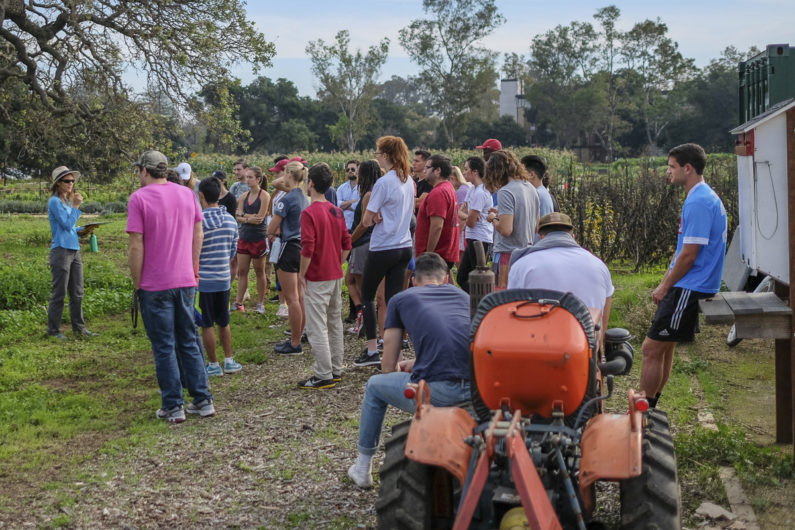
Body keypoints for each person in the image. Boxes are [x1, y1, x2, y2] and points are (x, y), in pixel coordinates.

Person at [347, 252, 472, 488]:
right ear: (446, 279)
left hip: (441, 392)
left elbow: (387, 366)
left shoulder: (402, 299)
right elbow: (457, 343)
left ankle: (362, 467)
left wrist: (405, 368)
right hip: (480, 391)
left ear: (414, 280)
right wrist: (418, 362)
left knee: (375, 387)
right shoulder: (464, 296)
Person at [127, 150, 214, 423]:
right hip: (185, 279)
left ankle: (173, 405)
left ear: (144, 170)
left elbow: (136, 244)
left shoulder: (138, 198)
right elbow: (198, 232)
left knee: (164, 345)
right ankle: (203, 400)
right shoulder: (187, 194)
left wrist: (137, 282)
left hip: (155, 284)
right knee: (188, 340)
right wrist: (193, 268)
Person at [639, 143, 727, 409]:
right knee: (664, 348)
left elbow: (689, 256)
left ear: (688, 169)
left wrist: (665, 287)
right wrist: (665, 280)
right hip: (688, 283)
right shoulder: (700, 197)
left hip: (691, 285)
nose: (668, 172)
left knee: (651, 349)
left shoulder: (699, 201)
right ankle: (650, 408)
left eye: (672, 167)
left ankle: (643, 411)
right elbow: (682, 253)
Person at [507, 212, 613, 352]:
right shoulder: (598, 265)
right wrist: (599, 345)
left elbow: (512, 310)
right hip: (585, 348)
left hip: (537, 347)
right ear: (572, 236)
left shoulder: (522, 265)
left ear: (541, 237)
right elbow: (606, 304)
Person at [353, 136, 415, 368]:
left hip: (383, 246)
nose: (376, 155)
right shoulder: (407, 179)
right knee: (393, 300)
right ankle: (396, 354)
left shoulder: (383, 182)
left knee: (367, 296)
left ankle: (371, 351)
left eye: (378, 152)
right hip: (404, 245)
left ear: (387, 156)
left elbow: (366, 220)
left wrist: (374, 217)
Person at [296, 163, 352, 389]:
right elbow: (347, 243)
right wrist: (338, 262)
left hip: (317, 276)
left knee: (316, 325)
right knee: (334, 322)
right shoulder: (336, 210)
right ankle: (336, 368)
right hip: (335, 274)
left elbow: (308, 247)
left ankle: (323, 373)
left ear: (311, 184)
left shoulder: (309, 212)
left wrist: (302, 273)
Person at [197, 177, 241, 376]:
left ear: (202, 196)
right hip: (223, 278)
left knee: (207, 323)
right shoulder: (231, 221)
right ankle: (229, 360)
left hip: (204, 280)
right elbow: (233, 251)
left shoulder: (198, 222)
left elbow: (194, 251)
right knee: (224, 321)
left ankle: (213, 364)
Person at [46, 166, 96, 339]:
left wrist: (83, 229)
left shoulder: (67, 202)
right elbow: (66, 225)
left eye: (72, 181)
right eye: (67, 181)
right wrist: (76, 206)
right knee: (59, 293)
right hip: (61, 251)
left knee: (77, 291)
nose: (71, 184)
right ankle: (53, 331)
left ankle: (79, 328)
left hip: (74, 250)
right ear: (58, 183)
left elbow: (70, 228)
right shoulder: (54, 202)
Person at [268, 161, 309, 354]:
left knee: (291, 298)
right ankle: (298, 335)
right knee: (300, 297)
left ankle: (294, 342)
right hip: (301, 247)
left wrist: (273, 232)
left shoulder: (286, 200)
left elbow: (271, 227)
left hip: (287, 246)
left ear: (289, 175)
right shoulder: (303, 197)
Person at [483, 150, 540, 289]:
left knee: (504, 299)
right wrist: (502, 215)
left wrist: (493, 218)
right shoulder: (531, 188)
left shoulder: (506, 192)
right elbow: (536, 226)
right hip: (527, 253)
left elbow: (506, 230)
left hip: (507, 256)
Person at [232, 167, 270, 314]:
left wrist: (244, 216)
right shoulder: (243, 196)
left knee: (260, 271)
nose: (247, 180)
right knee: (242, 271)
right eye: (246, 177)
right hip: (244, 237)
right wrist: (248, 218)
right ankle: (238, 302)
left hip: (258, 238)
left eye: (250, 177)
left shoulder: (264, 196)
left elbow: (259, 219)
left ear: (258, 179)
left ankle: (260, 303)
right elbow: (238, 216)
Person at [456, 157, 493, 293]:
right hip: (472, 237)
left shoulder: (480, 193)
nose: (464, 173)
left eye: (466, 170)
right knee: (462, 277)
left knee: (475, 277)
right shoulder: (472, 190)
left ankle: (481, 300)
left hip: (480, 238)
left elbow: (470, 223)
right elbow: (461, 211)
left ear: (475, 172)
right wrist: (469, 215)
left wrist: (469, 216)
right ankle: (475, 300)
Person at [415, 154, 459, 269]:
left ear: (438, 170)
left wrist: (429, 255)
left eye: (427, 168)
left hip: (436, 255)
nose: (424, 171)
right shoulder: (448, 187)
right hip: (443, 253)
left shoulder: (438, 193)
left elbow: (437, 226)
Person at [338, 159, 360, 323]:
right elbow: (337, 206)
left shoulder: (363, 188)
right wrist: (351, 204)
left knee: (355, 272)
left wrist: (348, 204)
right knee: (339, 266)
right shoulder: (341, 188)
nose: (350, 172)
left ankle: (355, 310)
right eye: (348, 169)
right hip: (343, 231)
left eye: (353, 169)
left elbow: (360, 206)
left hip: (357, 232)